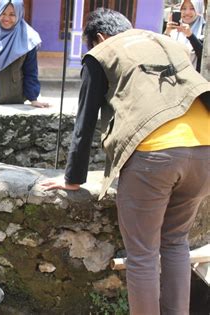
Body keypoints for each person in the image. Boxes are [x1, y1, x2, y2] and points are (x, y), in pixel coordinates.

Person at [40, 8, 210, 315]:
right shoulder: (165, 41)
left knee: (143, 254)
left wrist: (73, 179)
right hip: (205, 148)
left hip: (154, 154)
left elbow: (85, 121)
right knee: (175, 242)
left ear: (100, 38)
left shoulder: (103, 51)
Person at [164, 0, 206, 72]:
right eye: (183, 8)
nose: (187, 12)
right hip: (172, 78)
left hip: (195, 79)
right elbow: (162, 53)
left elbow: (205, 57)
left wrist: (190, 35)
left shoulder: (204, 29)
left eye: (192, 8)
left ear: (198, 9)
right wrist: (167, 32)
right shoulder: (174, 28)